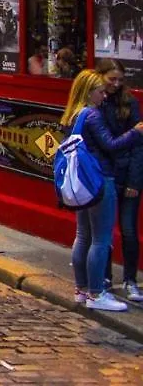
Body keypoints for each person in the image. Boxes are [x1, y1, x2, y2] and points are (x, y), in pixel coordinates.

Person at [61, 68, 143, 310]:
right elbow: (111, 145)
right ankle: (97, 294)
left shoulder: (73, 114)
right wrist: (135, 133)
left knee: (83, 235)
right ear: (89, 92)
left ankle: (82, 289)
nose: (103, 96)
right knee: (101, 239)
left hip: (82, 182)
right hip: (100, 179)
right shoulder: (92, 115)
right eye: (99, 91)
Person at [97, 58, 143, 300]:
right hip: (106, 175)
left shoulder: (130, 102)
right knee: (104, 230)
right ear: (100, 76)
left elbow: (138, 145)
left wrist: (135, 182)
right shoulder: (96, 103)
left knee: (128, 230)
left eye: (120, 80)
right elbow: (102, 143)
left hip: (127, 174)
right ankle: (104, 278)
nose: (116, 84)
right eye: (111, 79)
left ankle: (130, 280)